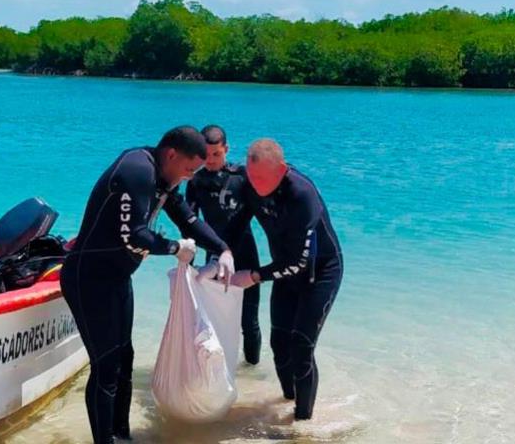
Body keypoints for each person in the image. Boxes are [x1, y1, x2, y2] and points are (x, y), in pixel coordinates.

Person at [60, 126, 236, 443]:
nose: (189, 177)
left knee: (124, 360)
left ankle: (122, 436)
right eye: (188, 169)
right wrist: (175, 248)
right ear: (172, 154)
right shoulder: (136, 171)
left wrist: (223, 249)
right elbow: (135, 235)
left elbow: (188, 219)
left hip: (117, 279)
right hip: (88, 280)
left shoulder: (163, 178)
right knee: (106, 367)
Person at [218, 138, 343, 421]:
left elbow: (299, 261)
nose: (256, 184)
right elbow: (235, 226)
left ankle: (302, 422)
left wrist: (254, 276)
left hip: (319, 273)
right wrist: (221, 252)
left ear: (282, 169)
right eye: (252, 177)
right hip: (285, 273)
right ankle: (289, 400)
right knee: (279, 344)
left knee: (301, 346)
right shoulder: (250, 186)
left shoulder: (302, 195)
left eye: (262, 178)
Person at [185, 125, 262, 365]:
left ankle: (251, 371)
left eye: (216, 154)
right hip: (214, 258)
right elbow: (190, 224)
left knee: (249, 322)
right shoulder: (195, 181)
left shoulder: (241, 177)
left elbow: (259, 214)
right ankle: (217, 372)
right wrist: (189, 263)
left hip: (245, 254)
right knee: (212, 320)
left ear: (226, 149)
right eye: (206, 155)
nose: (210, 160)